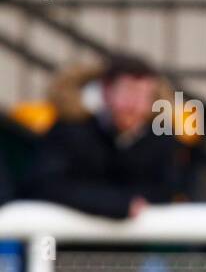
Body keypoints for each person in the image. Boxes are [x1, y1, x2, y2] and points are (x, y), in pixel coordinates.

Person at [21, 54, 189, 219]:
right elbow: (45, 185)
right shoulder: (70, 130)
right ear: (106, 91)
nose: (135, 105)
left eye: (144, 96)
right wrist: (118, 205)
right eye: (129, 92)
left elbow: (165, 190)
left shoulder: (160, 139)